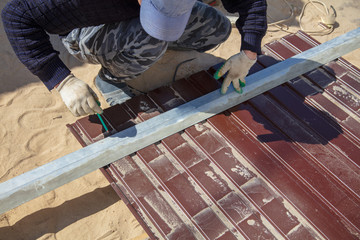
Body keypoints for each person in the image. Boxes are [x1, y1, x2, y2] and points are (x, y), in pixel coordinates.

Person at [2, 0, 267, 117]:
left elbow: (251, 2)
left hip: (135, 14)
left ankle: (150, 47)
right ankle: (112, 78)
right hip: (88, 29)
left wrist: (248, 52)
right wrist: (61, 80)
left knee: (217, 27)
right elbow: (16, 17)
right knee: (153, 38)